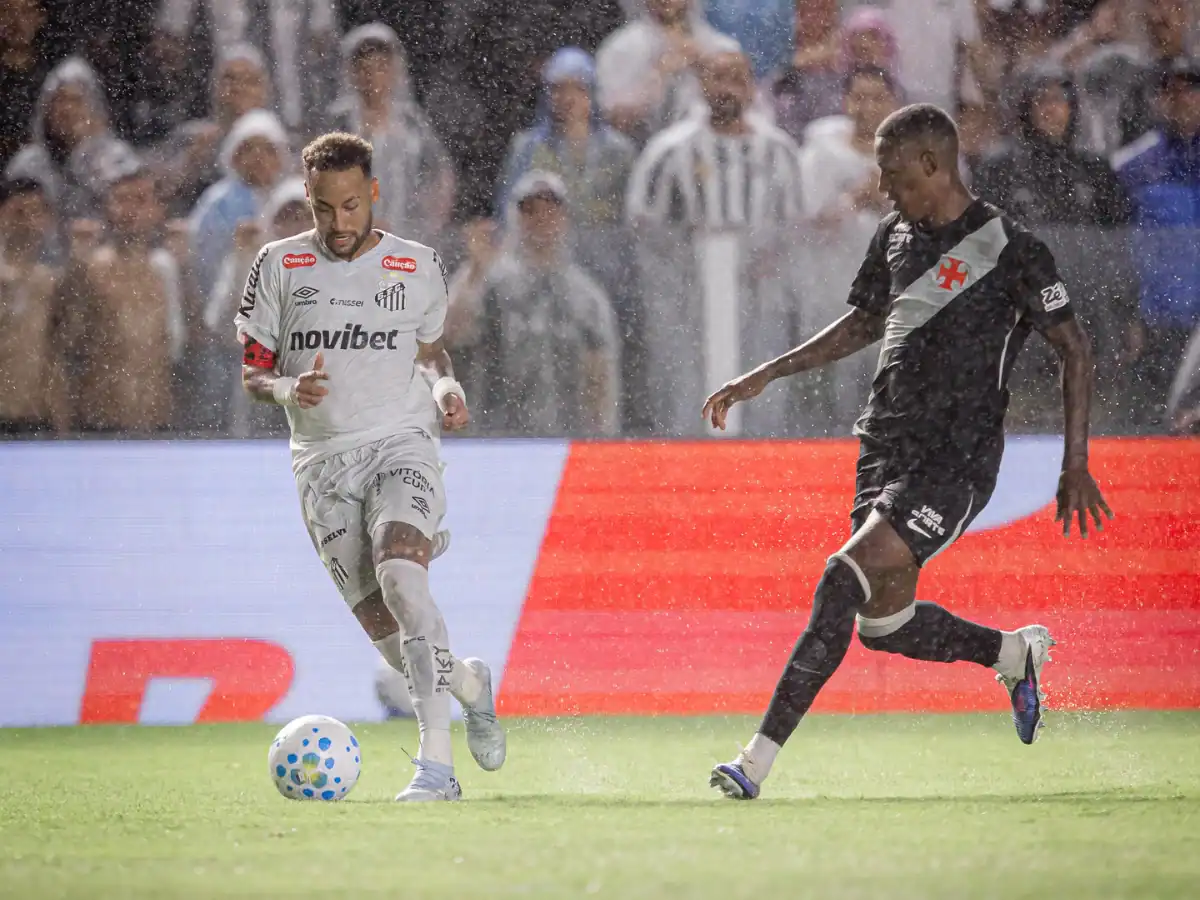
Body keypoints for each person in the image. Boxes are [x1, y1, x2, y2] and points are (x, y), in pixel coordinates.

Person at [701, 103, 1111, 800]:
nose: (884, 189)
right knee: (884, 625)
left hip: (956, 460)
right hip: (883, 446)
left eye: (893, 175)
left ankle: (754, 762)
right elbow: (864, 323)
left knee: (841, 578)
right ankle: (1014, 653)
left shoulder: (1012, 248)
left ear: (932, 164)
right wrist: (767, 373)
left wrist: (1075, 463)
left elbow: (1075, 349)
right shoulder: (893, 235)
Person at [233, 132, 505, 802]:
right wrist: (288, 388)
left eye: (351, 205)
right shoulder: (278, 265)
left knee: (404, 582)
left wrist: (446, 389)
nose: (339, 222)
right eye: (324, 208)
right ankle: (472, 684)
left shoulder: (416, 265)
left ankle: (436, 770)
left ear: (373, 193)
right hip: (322, 465)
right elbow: (252, 372)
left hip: (400, 443)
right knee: (392, 641)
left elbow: (431, 353)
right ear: (309, 198)